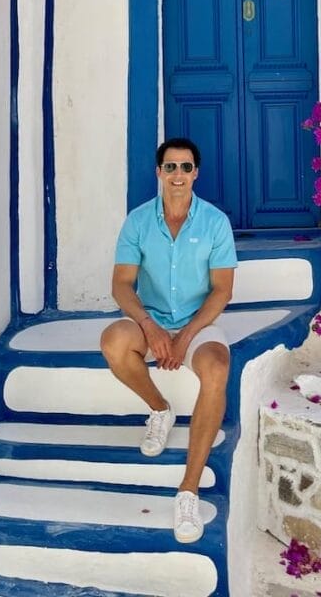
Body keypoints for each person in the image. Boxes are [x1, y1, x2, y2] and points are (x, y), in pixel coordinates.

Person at [100, 137, 237, 544]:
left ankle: (188, 490)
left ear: (196, 173)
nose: (178, 175)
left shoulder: (215, 223)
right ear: (159, 173)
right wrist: (151, 327)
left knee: (216, 367)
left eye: (186, 167)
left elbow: (221, 292)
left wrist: (187, 336)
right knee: (113, 341)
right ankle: (160, 409)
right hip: (151, 319)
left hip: (199, 322)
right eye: (170, 167)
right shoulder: (138, 222)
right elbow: (122, 285)